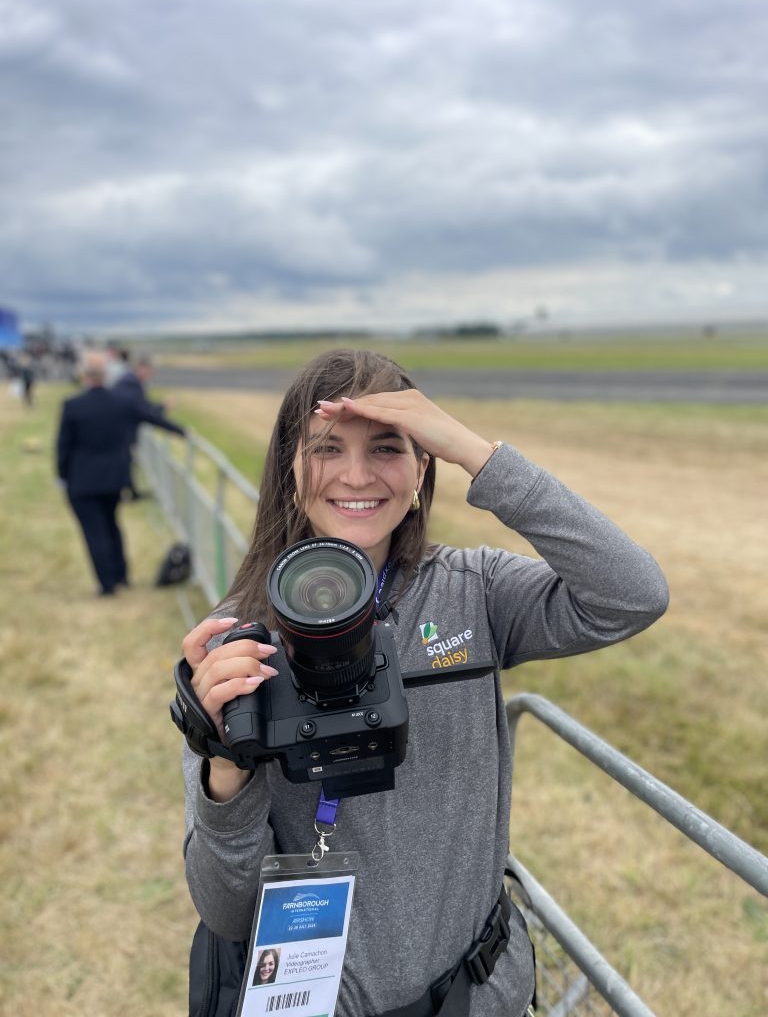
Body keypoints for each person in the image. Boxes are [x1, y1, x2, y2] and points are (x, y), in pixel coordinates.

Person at [180, 349, 669, 1017]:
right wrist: (223, 768)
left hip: (478, 993)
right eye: (327, 448)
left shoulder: (476, 594)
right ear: (290, 471)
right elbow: (227, 911)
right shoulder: (238, 646)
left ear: (421, 469)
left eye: (388, 448)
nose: (356, 474)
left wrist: (478, 453)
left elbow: (632, 596)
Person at [56, 350, 187, 596]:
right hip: (114, 479)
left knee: (94, 532)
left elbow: (63, 447)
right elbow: (151, 416)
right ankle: (121, 576)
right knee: (112, 525)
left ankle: (107, 585)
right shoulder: (121, 402)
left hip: (82, 481)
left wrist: (62, 476)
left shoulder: (73, 406)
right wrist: (181, 431)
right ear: (105, 376)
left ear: (84, 375)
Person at [112, 354, 177, 500]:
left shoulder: (129, 382)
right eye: (149, 370)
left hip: (120, 431)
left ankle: (130, 493)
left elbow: (143, 410)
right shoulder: (131, 385)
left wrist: (160, 408)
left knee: (125, 462)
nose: (151, 374)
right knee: (123, 462)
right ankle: (127, 494)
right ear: (141, 368)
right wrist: (180, 431)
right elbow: (146, 413)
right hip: (120, 432)